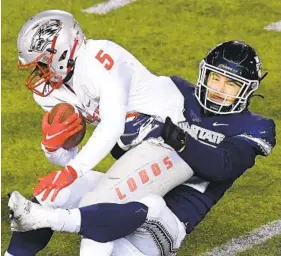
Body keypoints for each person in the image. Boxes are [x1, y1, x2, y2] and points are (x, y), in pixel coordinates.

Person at [7, 39, 276, 256]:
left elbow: (222, 167)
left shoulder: (256, 126)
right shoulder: (178, 93)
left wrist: (176, 138)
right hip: (133, 189)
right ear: (204, 73)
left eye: (232, 84)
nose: (220, 89)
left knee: (148, 205)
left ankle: (49, 219)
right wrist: (61, 144)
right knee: (59, 191)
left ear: (247, 89)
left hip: (167, 222)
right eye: (216, 78)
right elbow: (126, 152)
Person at [6, 8, 195, 256]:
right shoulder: (50, 91)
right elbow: (73, 160)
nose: (39, 72)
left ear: (61, 52)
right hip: (134, 152)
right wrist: (53, 150)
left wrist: (71, 172)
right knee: (50, 194)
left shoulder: (101, 59)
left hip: (173, 144)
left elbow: (112, 125)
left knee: (95, 208)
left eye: (42, 63)